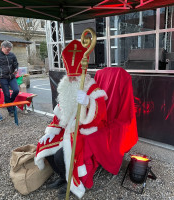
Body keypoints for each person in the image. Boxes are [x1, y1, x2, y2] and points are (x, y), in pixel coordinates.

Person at [34, 40, 108, 199]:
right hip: (67, 129)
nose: (72, 79)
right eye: (70, 75)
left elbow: (100, 117)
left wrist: (89, 103)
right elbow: (60, 112)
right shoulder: (66, 86)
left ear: (83, 73)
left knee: (62, 154)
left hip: (86, 131)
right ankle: (63, 176)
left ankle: (73, 183)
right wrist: (51, 130)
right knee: (44, 145)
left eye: (75, 76)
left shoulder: (93, 88)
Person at [0, 40, 19, 117]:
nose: (9, 51)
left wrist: (16, 69)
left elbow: (16, 64)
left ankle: (10, 103)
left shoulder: (12, 55)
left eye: (10, 49)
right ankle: (10, 110)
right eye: (7, 49)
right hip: (3, 78)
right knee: (6, 94)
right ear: (2, 47)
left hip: (12, 76)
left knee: (16, 90)